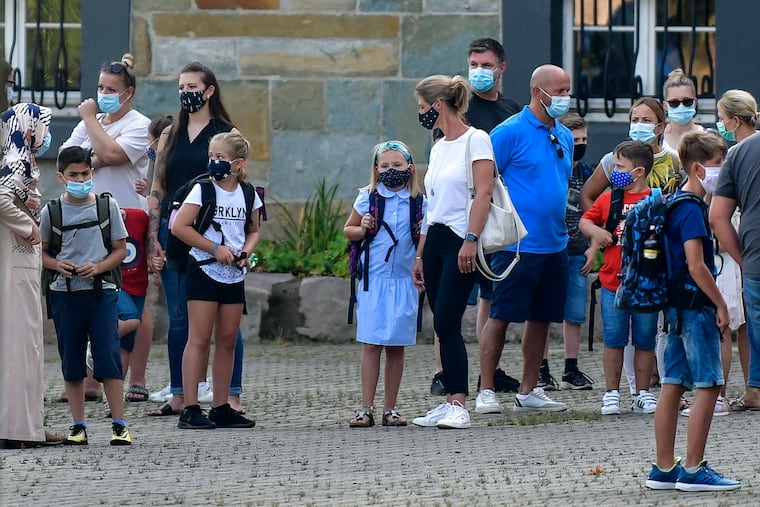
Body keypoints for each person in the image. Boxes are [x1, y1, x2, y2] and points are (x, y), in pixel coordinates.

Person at [147, 62, 246, 416]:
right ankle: (179, 394)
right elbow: (158, 185)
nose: (185, 92)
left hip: (216, 233)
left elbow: (240, 187)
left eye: (192, 85)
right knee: (180, 318)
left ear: (209, 91)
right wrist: (152, 238)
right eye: (181, 85)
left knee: (224, 320)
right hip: (175, 232)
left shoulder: (226, 133)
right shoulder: (171, 133)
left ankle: (229, 394)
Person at [475, 64, 572, 415]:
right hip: (517, 245)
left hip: (555, 243)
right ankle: (486, 389)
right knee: (500, 315)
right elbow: (484, 182)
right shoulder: (508, 132)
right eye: (559, 91)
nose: (565, 98)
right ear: (538, 92)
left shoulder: (564, 134)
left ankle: (529, 390)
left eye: (567, 90)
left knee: (543, 318)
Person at [646, 130, 740, 491]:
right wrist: (721, 303)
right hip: (695, 306)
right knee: (709, 384)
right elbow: (697, 265)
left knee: (672, 383)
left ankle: (664, 468)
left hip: (674, 307)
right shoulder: (692, 209)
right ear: (699, 168)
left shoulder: (674, 201)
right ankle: (694, 468)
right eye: (720, 165)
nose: (723, 172)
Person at [430, 37, 521, 397]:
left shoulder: (511, 111)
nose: (479, 71)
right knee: (446, 313)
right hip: (455, 224)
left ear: (501, 68)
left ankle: (489, 368)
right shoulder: (457, 118)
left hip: (488, 219)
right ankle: (445, 374)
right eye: (474, 64)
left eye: (486, 65)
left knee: (489, 297)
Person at [580, 97, 680, 396]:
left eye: (646, 121)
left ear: (661, 126)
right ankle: (629, 388)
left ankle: (656, 387)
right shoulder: (614, 162)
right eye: (634, 119)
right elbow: (589, 202)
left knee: (651, 332)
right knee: (616, 334)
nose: (638, 126)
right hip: (616, 270)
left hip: (654, 266)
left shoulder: (673, 160)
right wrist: (597, 237)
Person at [410, 74, 493, 430]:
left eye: (422, 106)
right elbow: (432, 204)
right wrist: (419, 254)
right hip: (437, 240)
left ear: (438, 105)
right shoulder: (439, 144)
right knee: (439, 325)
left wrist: (471, 239)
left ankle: (459, 401)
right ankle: (448, 401)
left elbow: (484, 193)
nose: (421, 112)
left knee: (448, 320)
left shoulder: (477, 140)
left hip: (462, 238)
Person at [40, 146, 131, 446]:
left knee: (107, 357)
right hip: (65, 295)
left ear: (92, 173)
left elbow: (120, 249)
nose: (80, 179)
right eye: (74, 175)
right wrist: (57, 265)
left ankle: (119, 424)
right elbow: (40, 252)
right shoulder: (51, 212)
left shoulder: (106, 207)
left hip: (102, 292)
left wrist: (99, 267)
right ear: (61, 177)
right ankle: (78, 424)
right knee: (72, 360)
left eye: (85, 174)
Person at [172, 132, 260, 430]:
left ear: (238, 163)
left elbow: (253, 230)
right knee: (199, 337)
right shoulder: (202, 190)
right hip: (204, 268)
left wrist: (246, 252)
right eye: (212, 157)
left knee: (227, 339)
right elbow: (179, 227)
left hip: (234, 274)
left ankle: (221, 405)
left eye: (221, 158)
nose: (214, 163)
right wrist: (213, 248)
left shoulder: (248, 194)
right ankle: (190, 406)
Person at [344, 140, 425, 428]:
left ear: (410, 168)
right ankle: (365, 407)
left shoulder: (418, 201)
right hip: (373, 281)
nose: (392, 170)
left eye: (397, 165)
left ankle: (390, 408)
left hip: (402, 281)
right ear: (376, 170)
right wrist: (361, 227)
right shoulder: (367, 198)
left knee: (396, 346)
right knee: (371, 344)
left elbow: (424, 235)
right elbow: (349, 230)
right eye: (386, 166)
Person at [0, 102, 64, 449]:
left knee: (23, 347)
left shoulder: (19, 158)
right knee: (23, 347)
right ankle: (20, 429)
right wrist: (29, 226)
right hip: (17, 263)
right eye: (42, 125)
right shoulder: (17, 161)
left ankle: (28, 425)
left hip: (18, 262)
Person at [579, 141, 658, 415]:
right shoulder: (609, 199)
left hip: (646, 285)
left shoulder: (655, 200)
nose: (615, 172)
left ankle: (642, 392)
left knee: (645, 340)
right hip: (613, 283)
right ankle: (611, 392)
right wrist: (596, 233)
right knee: (614, 338)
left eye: (620, 167)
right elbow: (585, 220)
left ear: (638, 172)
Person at [710, 89, 760, 412]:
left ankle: (755, 391)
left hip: (756, 254)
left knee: (756, 327)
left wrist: (743, 258)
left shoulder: (738, 155)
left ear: (735, 120)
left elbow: (718, 216)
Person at [541, 113, 594, 391]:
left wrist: (593, 248)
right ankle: (541, 368)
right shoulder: (550, 166)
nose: (581, 144)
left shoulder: (588, 172)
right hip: (550, 247)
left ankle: (571, 367)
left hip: (577, 250)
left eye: (584, 139)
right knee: (545, 310)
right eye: (575, 140)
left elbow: (596, 212)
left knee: (574, 311)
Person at [125, 114, 174, 403]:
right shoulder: (154, 164)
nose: (148, 147)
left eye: (150, 142)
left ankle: (184, 382)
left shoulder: (166, 164)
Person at [60, 53, 150, 210]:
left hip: (126, 212)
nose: (104, 94)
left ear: (128, 92)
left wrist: (90, 118)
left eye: (111, 90)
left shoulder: (140, 124)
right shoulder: (89, 123)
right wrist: (98, 159)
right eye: (101, 87)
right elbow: (63, 159)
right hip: (88, 212)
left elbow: (111, 154)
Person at [662, 69, 703, 155]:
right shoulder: (658, 139)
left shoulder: (706, 137)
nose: (681, 106)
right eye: (674, 102)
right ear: (665, 106)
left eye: (687, 101)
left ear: (695, 102)